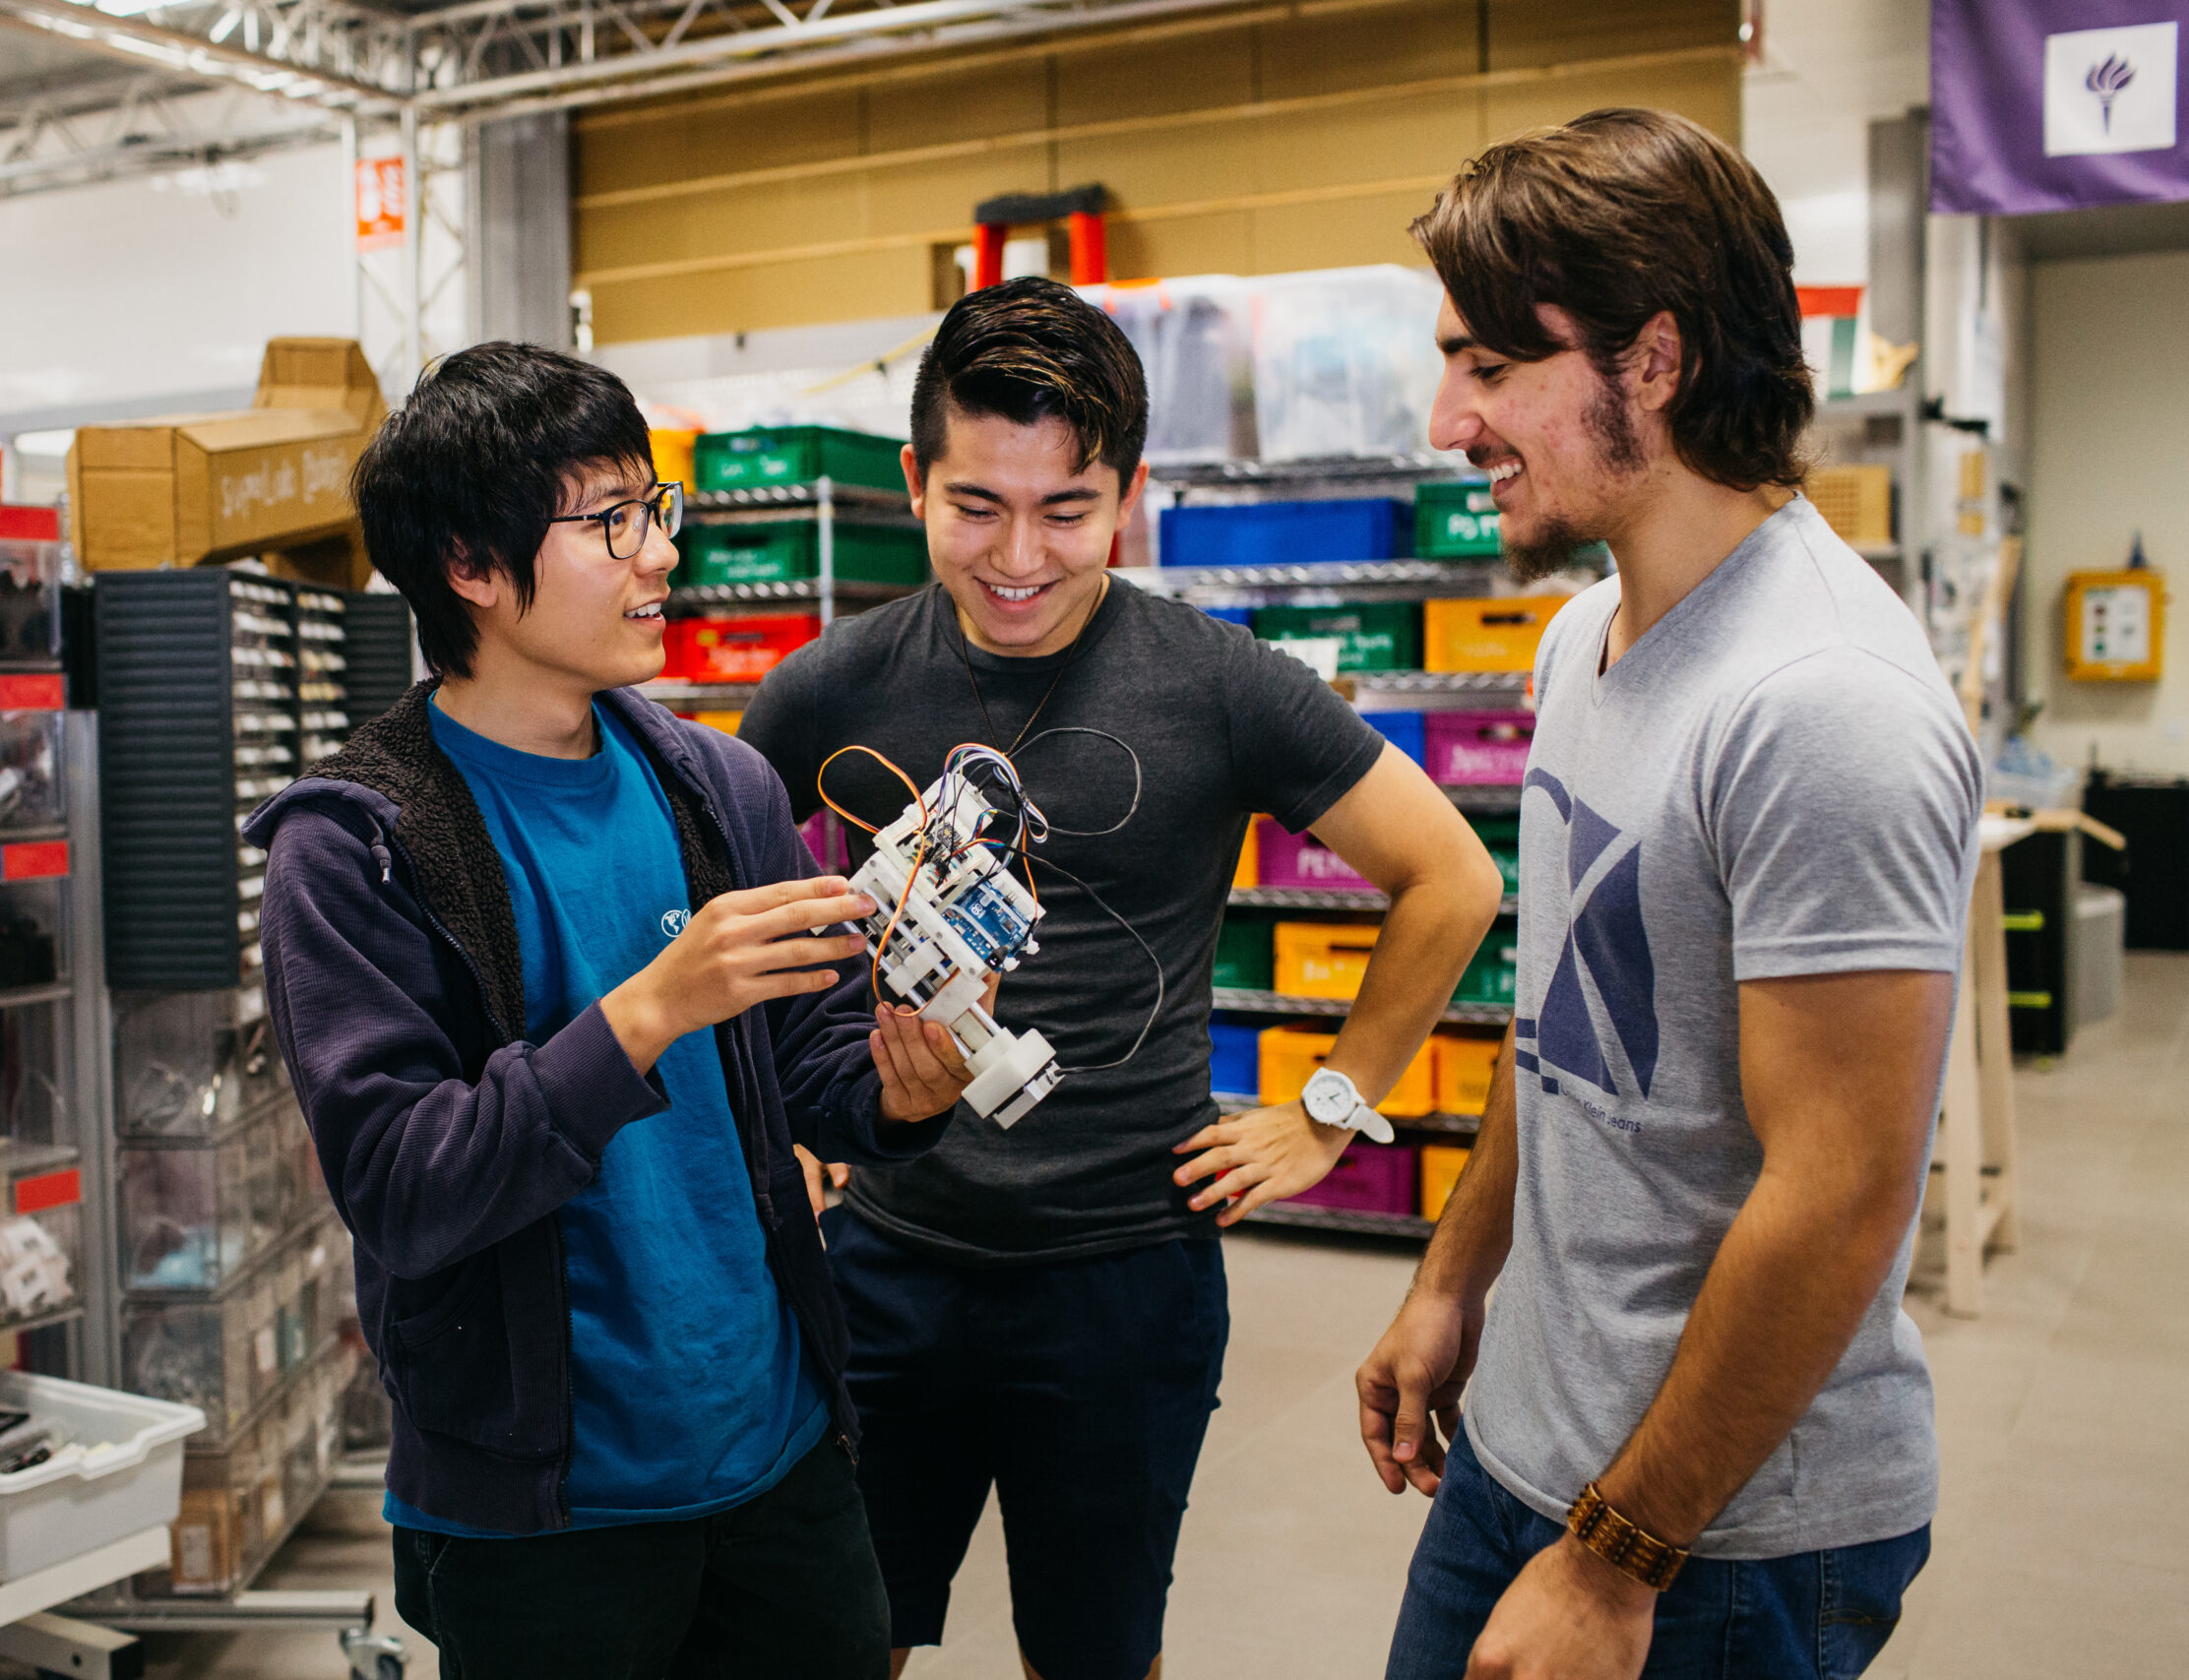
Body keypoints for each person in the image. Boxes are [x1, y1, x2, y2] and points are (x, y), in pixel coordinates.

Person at [738, 277, 1505, 1680]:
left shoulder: (1222, 685)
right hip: (887, 1267)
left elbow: (1453, 878)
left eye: (1067, 508)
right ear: (915, 483)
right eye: (976, 505)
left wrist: (1330, 1108)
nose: (1019, 553)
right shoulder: (825, 691)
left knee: (1094, 1659)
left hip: (1126, 1278)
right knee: (835, 1642)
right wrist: (781, 1129)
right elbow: (727, 914)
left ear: (1130, 496)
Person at [1354, 108, 1984, 1680]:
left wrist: (1621, 1559)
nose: (1448, 420)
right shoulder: (1588, 642)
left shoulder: (1823, 704)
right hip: (1529, 1454)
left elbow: (1841, 1193)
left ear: (1654, 361)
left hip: (1719, 1538)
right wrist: (1452, 1280)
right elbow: (1564, 1023)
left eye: (1492, 367)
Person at [246, 342, 982, 1680]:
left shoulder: (720, 787)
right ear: (470, 564)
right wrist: (644, 1013)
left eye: (659, 512)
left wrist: (897, 1094)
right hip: (543, 1510)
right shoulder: (355, 849)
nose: (660, 557)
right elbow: (406, 1187)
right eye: (611, 524)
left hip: (777, 1450)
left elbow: (807, 1061)